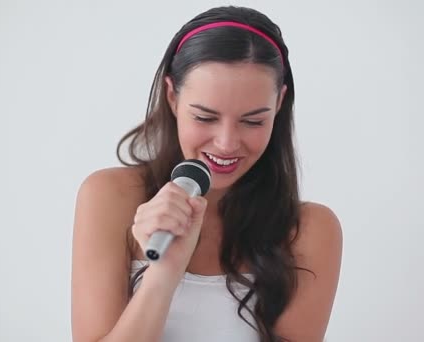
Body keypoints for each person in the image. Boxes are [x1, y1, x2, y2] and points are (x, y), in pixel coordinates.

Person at [71, 5, 342, 342]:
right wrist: (162, 276)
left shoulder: (310, 230)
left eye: (253, 121)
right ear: (172, 97)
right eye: (205, 117)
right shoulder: (111, 196)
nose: (227, 143)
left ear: (279, 104)